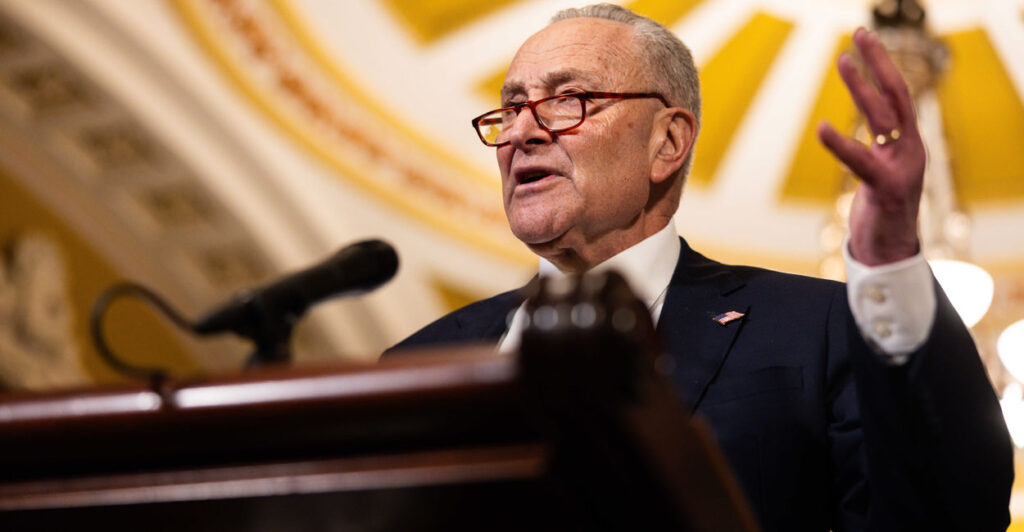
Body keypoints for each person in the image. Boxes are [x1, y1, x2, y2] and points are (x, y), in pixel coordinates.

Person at [388, 4, 1012, 530]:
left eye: (568, 100)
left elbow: (949, 512)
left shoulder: (816, 330)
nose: (521, 132)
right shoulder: (417, 364)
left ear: (668, 142)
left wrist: (893, 262)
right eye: (512, 107)